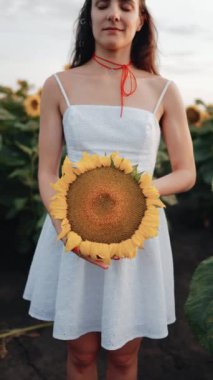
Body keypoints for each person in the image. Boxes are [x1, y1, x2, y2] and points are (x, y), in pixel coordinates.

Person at [23, 0, 196, 379]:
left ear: (140, 20)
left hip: (139, 234)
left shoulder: (164, 90)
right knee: (81, 354)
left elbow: (186, 173)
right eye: (102, 5)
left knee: (123, 355)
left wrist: (135, 193)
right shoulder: (59, 85)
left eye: (126, 6)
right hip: (72, 232)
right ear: (91, 18)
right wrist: (69, 234)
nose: (114, 14)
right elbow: (47, 173)